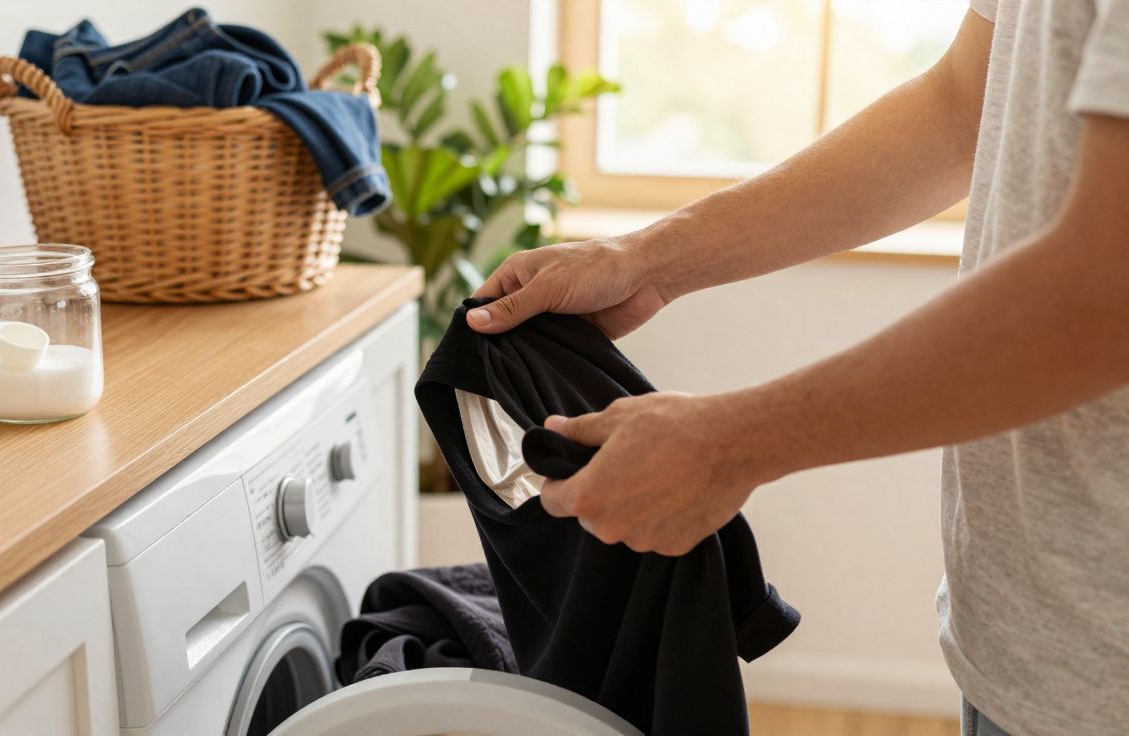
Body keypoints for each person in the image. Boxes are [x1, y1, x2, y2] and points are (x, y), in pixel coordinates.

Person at [464, 2, 1129, 735]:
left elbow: (1105, 291)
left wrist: (729, 443)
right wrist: (645, 260)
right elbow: (964, 102)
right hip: (1021, 641)